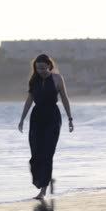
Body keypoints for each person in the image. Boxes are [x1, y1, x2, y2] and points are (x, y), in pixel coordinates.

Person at [18, 54, 74, 200]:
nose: (40, 71)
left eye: (43, 68)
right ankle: (45, 180)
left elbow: (65, 98)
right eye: (38, 68)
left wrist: (69, 118)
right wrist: (22, 119)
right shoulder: (34, 80)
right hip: (36, 118)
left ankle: (43, 191)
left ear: (50, 65)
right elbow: (29, 99)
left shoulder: (57, 79)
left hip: (52, 118)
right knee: (36, 155)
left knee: (47, 154)